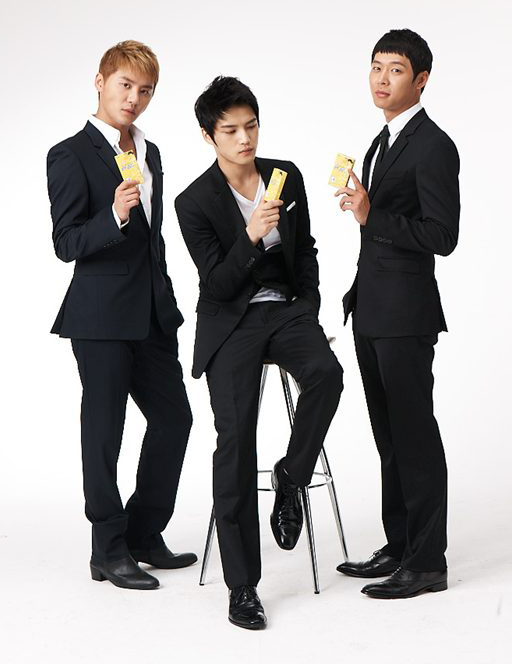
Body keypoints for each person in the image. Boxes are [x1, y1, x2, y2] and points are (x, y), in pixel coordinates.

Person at [175, 76, 343, 629]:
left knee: (327, 374)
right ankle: (242, 586)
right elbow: (218, 284)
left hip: (288, 310)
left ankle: (292, 476)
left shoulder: (284, 174)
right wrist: (249, 236)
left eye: (251, 126)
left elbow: (307, 249)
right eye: (230, 131)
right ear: (209, 136)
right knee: (235, 442)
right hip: (232, 322)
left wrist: (309, 306)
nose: (244, 138)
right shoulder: (193, 202)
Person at [47, 40, 196, 590]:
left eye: (145, 90)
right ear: (101, 81)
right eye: (125, 85)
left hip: (152, 314)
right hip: (101, 317)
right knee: (105, 430)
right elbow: (66, 242)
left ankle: (143, 533)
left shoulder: (150, 151)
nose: (134, 98)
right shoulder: (69, 154)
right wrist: (112, 214)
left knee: (175, 419)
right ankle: (107, 549)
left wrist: (167, 302)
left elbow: (154, 239)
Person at [335, 29, 460, 599]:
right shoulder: (382, 140)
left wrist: (371, 215)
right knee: (388, 436)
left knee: (414, 434)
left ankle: (428, 562)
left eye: (396, 70)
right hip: (371, 309)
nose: (382, 79)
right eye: (376, 67)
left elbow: (443, 235)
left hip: (407, 315)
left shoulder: (433, 145)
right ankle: (401, 543)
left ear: (421, 80)